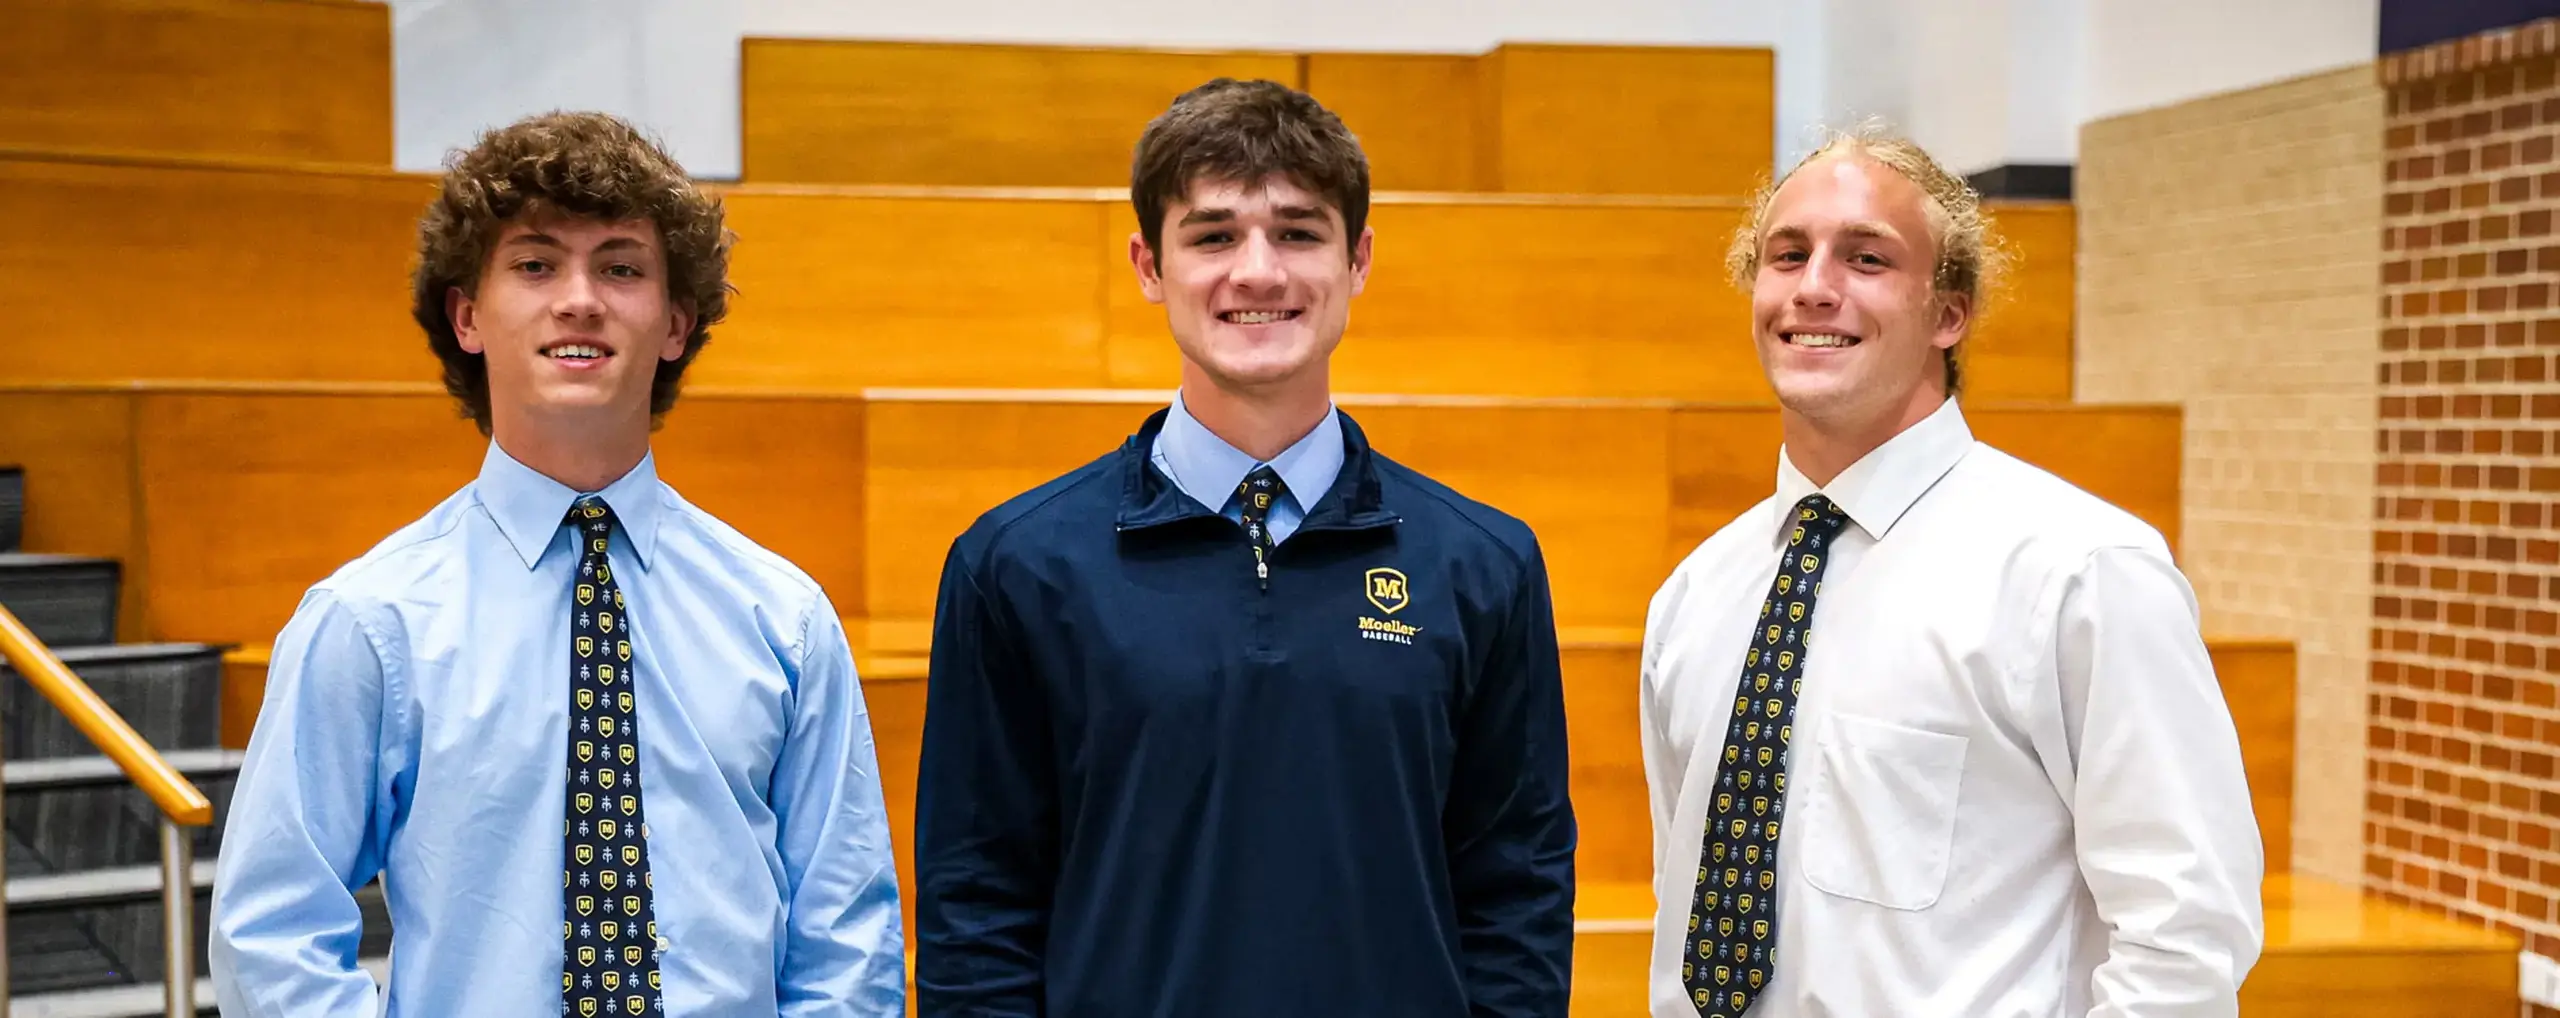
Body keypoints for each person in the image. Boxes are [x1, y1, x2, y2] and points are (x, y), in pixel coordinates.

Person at [208, 111, 904, 1017]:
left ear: (676, 324)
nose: (579, 299)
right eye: (535, 265)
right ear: (467, 315)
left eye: (621, 268)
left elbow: (847, 940)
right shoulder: (372, 622)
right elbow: (273, 933)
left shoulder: (784, 618)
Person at [910, 78, 1576, 1017]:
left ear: (1358, 260)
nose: (1258, 273)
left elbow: (1518, 898)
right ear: (1149, 265)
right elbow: (976, 912)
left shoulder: (1485, 566)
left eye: (1299, 233)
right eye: (1214, 236)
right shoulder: (1014, 566)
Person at [1637, 124, 2265, 1018]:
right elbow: (1685, 895)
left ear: (1948, 314)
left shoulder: (2079, 573)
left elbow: (2186, 937)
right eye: (1788, 255)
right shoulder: (1696, 596)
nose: (1814, 287)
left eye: (1866, 258)